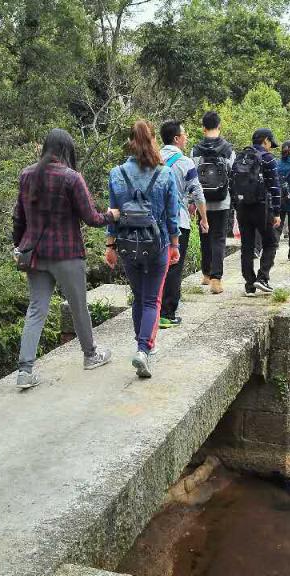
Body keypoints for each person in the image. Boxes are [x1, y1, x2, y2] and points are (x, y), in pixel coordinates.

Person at [12, 129, 119, 389]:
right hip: (66, 253)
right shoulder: (72, 178)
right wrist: (112, 216)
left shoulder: (27, 175)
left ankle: (25, 371)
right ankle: (91, 355)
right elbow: (91, 217)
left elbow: (18, 217)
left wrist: (19, 247)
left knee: (36, 309)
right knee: (78, 305)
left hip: (35, 254)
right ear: (66, 151)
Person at [104, 120, 180, 379]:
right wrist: (175, 245)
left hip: (127, 244)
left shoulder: (116, 174)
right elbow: (172, 216)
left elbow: (112, 214)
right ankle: (143, 349)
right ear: (152, 141)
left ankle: (142, 343)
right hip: (156, 244)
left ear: (130, 142)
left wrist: (110, 246)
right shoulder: (165, 173)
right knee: (152, 300)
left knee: (139, 297)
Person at [159, 120, 208, 327]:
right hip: (178, 221)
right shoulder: (185, 162)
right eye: (184, 134)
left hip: (153, 220)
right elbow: (197, 191)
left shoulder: (153, 158)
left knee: (156, 266)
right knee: (174, 266)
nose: (186, 137)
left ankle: (152, 309)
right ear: (177, 138)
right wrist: (204, 218)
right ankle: (167, 313)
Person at [231, 128, 281, 297]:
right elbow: (274, 187)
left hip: (243, 207)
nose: (270, 147)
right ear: (265, 140)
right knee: (271, 242)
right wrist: (277, 212)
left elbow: (231, 183)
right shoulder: (267, 159)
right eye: (270, 143)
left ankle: (249, 285)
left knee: (247, 246)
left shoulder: (240, 157)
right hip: (262, 207)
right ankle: (263, 277)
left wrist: (236, 206)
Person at [191, 111, 234, 295]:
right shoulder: (228, 149)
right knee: (219, 238)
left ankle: (206, 274)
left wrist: (192, 202)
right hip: (222, 200)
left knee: (204, 237)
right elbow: (232, 173)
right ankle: (216, 279)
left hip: (202, 202)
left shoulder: (195, 150)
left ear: (203, 128)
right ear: (219, 126)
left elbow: (191, 176)